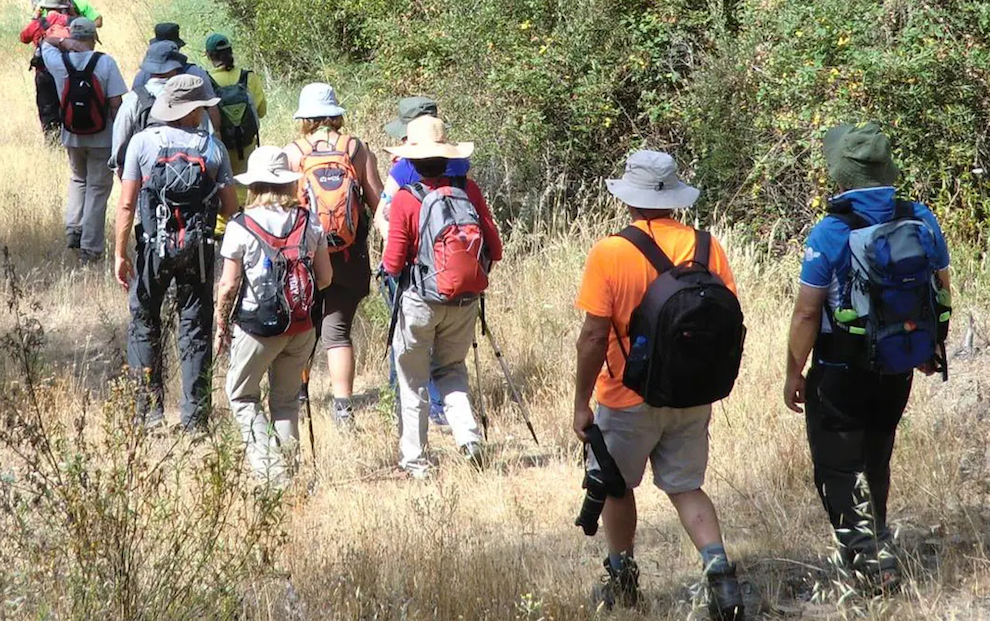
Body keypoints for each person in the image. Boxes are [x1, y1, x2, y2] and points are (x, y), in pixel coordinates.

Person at [573, 150, 743, 617]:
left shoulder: (611, 251)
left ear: (629, 198)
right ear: (672, 196)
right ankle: (721, 577)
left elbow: (593, 336)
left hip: (627, 396)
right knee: (686, 486)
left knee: (616, 487)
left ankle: (623, 578)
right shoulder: (706, 246)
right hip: (692, 392)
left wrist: (580, 404)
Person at [784, 123, 952, 590]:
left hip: (840, 366)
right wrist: (929, 343)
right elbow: (941, 287)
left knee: (837, 465)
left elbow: (806, 311)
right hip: (898, 362)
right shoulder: (920, 216)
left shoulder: (833, 229)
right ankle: (877, 539)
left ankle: (870, 561)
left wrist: (793, 372)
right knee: (877, 455)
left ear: (842, 176)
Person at [114, 74, 239, 431]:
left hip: (152, 250)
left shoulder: (142, 143)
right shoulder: (213, 150)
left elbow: (126, 205)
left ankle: (149, 414)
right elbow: (231, 210)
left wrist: (120, 253)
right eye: (201, 107)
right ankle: (195, 419)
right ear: (192, 110)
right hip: (197, 253)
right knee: (196, 329)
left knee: (144, 325)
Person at [383, 115, 503, 478]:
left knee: (413, 379)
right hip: (464, 302)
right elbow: (494, 249)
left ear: (412, 160)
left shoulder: (406, 198)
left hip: (420, 301)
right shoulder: (468, 190)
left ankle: (416, 461)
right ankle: (468, 439)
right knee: (451, 370)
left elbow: (392, 263)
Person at [215, 146, 332, 486]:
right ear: (287, 183)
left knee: (241, 396)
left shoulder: (241, 226)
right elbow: (325, 278)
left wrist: (222, 324)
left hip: (257, 328)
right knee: (285, 402)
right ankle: (290, 475)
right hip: (301, 325)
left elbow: (228, 285)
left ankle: (273, 474)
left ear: (254, 185)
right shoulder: (308, 220)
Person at [284, 83, 384, 425]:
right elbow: (377, 202)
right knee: (338, 332)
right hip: (348, 255)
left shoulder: (294, 152)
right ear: (335, 113)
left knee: (304, 328)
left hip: (306, 257)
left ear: (305, 118)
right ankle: (343, 409)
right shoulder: (355, 148)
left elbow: (285, 208)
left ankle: (299, 397)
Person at [378, 97, 465, 427]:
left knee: (410, 344)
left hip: (414, 274)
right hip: (455, 272)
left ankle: (413, 406)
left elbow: (382, 218)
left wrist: (393, 263)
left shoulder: (403, 168)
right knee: (448, 355)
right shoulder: (461, 167)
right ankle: (447, 409)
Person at [41, 17, 126, 262]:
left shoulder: (58, 61)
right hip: (102, 137)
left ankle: (73, 229)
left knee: (78, 179)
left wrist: (64, 42)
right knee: (98, 190)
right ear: (92, 38)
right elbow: (115, 104)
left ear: (73, 36)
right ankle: (91, 247)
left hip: (72, 134)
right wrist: (120, 140)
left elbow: (46, 41)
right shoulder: (106, 62)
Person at [110, 41, 209, 174]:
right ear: (175, 67)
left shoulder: (134, 99)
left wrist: (125, 174)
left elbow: (120, 141)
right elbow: (207, 136)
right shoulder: (188, 96)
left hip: (146, 175)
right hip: (190, 175)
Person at [205, 32, 266, 204]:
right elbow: (261, 111)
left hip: (221, 148)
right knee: (249, 187)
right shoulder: (248, 77)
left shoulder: (207, 81)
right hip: (248, 147)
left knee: (225, 187)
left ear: (209, 56)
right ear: (230, 51)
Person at [132, 23, 222, 132]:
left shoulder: (142, 76)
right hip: (194, 141)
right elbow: (211, 108)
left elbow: (132, 110)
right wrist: (217, 135)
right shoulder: (195, 73)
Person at [20, 0, 72, 138]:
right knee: (67, 106)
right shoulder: (71, 22)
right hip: (68, 72)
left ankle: (52, 142)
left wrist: (35, 17)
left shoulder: (39, 23)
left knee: (47, 109)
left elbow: (24, 37)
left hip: (44, 73)